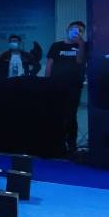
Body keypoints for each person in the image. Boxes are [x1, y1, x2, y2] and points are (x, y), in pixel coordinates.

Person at [46, 21, 89, 154]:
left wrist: (81, 44)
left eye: (79, 30)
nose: (76, 32)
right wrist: (46, 82)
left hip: (73, 86)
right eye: (73, 29)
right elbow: (49, 64)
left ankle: (71, 145)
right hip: (55, 84)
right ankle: (55, 143)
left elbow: (80, 61)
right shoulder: (56, 45)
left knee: (70, 115)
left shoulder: (83, 46)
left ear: (83, 33)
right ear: (67, 30)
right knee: (55, 113)